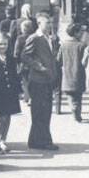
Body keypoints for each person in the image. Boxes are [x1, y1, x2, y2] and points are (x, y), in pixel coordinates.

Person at [21, 11, 59, 150]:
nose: (50, 25)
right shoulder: (35, 38)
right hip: (38, 80)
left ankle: (36, 140)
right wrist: (39, 67)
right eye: (47, 23)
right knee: (40, 112)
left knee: (45, 111)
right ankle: (43, 141)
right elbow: (25, 56)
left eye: (51, 22)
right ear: (39, 23)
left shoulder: (49, 38)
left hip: (47, 80)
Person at [0, 31, 21, 152]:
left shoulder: (11, 59)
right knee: (2, 118)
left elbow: (14, 75)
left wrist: (18, 89)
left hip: (9, 92)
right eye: (0, 44)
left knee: (7, 116)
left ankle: (3, 139)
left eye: (5, 44)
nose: (3, 47)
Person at [58, 22, 86, 122]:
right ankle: (76, 112)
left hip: (67, 74)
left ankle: (74, 109)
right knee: (78, 95)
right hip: (79, 73)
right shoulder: (82, 45)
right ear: (75, 33)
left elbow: (59, 59)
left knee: (70, 95)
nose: (82, 33)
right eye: (80, 32)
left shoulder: (63, 45)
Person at [14, 18, 34, 104]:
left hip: (23, 63)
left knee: (24, 81)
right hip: (33, 62)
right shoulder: (35, 37)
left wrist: (17, 62)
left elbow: (16, 52)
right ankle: (31, 97)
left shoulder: (20, 38)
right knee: (32, 81)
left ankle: (27, 97)